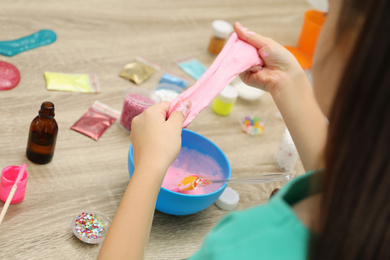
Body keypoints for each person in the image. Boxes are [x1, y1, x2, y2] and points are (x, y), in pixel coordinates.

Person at [98, 0, 390, 258]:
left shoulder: (248, 245)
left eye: (328, 14)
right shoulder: (372, 198)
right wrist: (288, 83)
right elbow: (343, 181)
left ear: (356, 46)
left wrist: (149, 166)